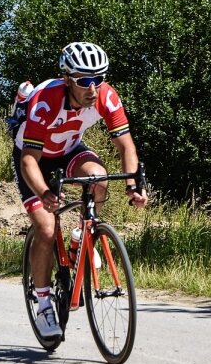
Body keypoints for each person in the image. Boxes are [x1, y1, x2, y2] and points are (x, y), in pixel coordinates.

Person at [11, 42, 148, 339]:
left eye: (99, 78)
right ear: (67, 80)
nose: (93, 88)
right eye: (85, 81)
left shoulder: (106, 96)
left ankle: (80, 237)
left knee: (98, 177)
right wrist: (45, 192)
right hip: (33, 159)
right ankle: (44, 302)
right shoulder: (45, 102)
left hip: (69, 150)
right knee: (47, 228)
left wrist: (132, 185)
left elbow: (126, 145)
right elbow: (28, 161)